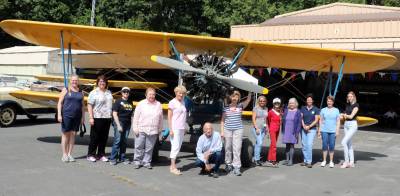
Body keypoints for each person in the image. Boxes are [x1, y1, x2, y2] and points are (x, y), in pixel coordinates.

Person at [221, 90, 251, 176]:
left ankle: (237, 167)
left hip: (238, 129)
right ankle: (228, 165)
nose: (234, 98)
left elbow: (248, 100)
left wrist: (250, 91)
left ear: (238, 98)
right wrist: (222, 131)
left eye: (236, 96)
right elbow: (222, 120)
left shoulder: (240, 106)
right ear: (230, 97)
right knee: (227, 147)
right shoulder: (226, 107)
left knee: (237, 148)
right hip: (227, 129)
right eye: (233, 96)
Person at [132, 88, 163, 169]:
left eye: (153, 94)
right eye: (150, 94)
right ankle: (137, 161)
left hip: (153, 130)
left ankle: (146, 162)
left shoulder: (158, 104)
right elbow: (136, 117)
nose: (152, 96)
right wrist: (135, 128)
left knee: (149, 148)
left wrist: (160, 130)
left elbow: (161, 119)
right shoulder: (141, 104)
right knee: (139, 146)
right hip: (141, 129)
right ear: (146, 95)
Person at [57, 75, 84, 162]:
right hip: (66, 115)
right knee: (65, 134)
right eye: (73, 80)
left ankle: (70, 154)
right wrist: (59, 115)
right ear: (70, 81)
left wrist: (83, 117)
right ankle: (64, 154)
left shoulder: (81, 91)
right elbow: (59, 103)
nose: (74, 82)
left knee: (73, 135)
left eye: (76, 80)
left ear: (78, 81)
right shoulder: (65, 89)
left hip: (77, 117)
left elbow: (83, 106)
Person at [87, 75, 113, 162]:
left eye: (104, 82)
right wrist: (91, 117)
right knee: (95, 137)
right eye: (100, 81)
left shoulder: (109, 92)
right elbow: (89, 105)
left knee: (104, 137)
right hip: (97, 117)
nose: (102, 83)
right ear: (97, 83)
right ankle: (91, 154)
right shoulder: (94, 92)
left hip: (107, 117)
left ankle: (101, 154)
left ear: (106, 83)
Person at [109, 87, 133, 165]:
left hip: (127, 123)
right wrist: (118, 125)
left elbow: (131, 114)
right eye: (124, 91)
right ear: (122, 93)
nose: (126, 93)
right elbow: (114, 113)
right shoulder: (118, 101)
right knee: (117, 140)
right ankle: (113, 158)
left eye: (127, 92)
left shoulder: (130, 102)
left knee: (124, 141)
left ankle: (122, 157)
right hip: (119, 122)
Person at [168, 85, 187, 175]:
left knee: (178, 147)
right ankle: (173, 167)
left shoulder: (183, 102)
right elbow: (169, 117)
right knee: (175, 147)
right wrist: (170, 129)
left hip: (181, 128)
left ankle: (172, 166)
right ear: (176, 92)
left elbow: (183, 116)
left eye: (183, 93)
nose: (181, 94)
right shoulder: (172, 102)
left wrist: (185, 127)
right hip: (175, 128)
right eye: (179, 93)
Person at [318, 96, 340, 168]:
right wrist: (319, 131)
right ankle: (324, 160)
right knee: (324, 145)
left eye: (330, 101)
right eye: (328, 101)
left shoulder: (336, 110)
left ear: (333, 102)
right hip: (324, 130)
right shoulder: (323, 110)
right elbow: (320, 121)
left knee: (331, 146)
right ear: (327, 102)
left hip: (333, 131)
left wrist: (337, 131)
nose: (329, 102)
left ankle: (331, 161)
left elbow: (338, 121)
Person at [300, 94, 320, 168]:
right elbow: (301, 118)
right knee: (304, 145)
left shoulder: (316, 109)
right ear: (306, 101)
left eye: (310, 100)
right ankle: (305, 160)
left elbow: (316, 120)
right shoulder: (303, 108)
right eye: (308, 100)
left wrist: (309, 126)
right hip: (304, 128)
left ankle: (309, 161)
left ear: (312, 101)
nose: (309, 101)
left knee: (309, 145)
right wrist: (304, 126)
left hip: (312, 129)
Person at [340, 91, 359, 168]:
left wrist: (344, 115)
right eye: (348, 96)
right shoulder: (347, 105)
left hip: (352, 125)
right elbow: (345, 115)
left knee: (343, 142)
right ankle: (352, 162)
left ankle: (346, 162)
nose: (349, 98)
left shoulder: (356, 105)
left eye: (351, 96)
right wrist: (342, 115)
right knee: (349, 144)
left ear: (354, 97)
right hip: (346, 125)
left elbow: (351, 116)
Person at [281, 98, 302, 166]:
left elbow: (299, 123)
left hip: (293, 131)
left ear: (295, 104)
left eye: (292, 103)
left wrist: (297, 132)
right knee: (287, 145)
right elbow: (283, 120)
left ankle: (291, 160)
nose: (291, 104)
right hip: (286, 130)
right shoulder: (286, 110)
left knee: (292, 146)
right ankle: (287, 160)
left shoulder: (298, 111)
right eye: (290, 103)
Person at [251, 95, 268, 166]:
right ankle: (256, 159)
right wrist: (256, 128)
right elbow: (253, 119)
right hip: (257, 129)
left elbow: (265, 118)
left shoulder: (266, 108)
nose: (262, 102)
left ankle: (256, 158)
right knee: (260, 143)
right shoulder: (255, 108)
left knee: (258, 144)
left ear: (265, 102)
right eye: (260, 101)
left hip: (263, 128)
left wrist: (267, 126)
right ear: (258, 101)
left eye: (263, 101)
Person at [266, 98, 282, 167]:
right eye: (275, 103)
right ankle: (273, 160)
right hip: (272, 129)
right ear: (273, 104)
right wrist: (268, 129)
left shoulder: (280, 112)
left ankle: (269, 158)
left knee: (272, 145)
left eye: (278, 103)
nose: (277, 104)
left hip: (278, 130)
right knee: (274, 145)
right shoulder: (270, 112)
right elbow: (268, 120)